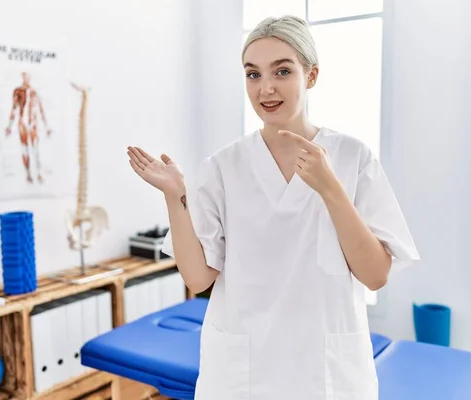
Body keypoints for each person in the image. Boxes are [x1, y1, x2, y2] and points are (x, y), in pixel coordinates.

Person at [127, 15, 419, 400]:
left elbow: (376, 274)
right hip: (243, 372)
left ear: (311, 76)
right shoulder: (222, 167)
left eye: (282, 71)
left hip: (325, 372)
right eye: (252, 74)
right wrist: (175, 195)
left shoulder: (352, 158)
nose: (266, 88)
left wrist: (330, 189)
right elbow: (198, 279)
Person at [5, 72, 52, 184]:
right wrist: (9, 126)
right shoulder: (18, 91)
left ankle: (39, 173)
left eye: (28, 76)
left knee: (35, 148)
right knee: (25, 149)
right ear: (22, 77)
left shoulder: (34, 92)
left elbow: (41, 109)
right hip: (23, 123)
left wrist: (46, 127)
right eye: (25, 76)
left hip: (33, 123)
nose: (26, 78)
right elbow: (14, 108)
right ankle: (28, 174)